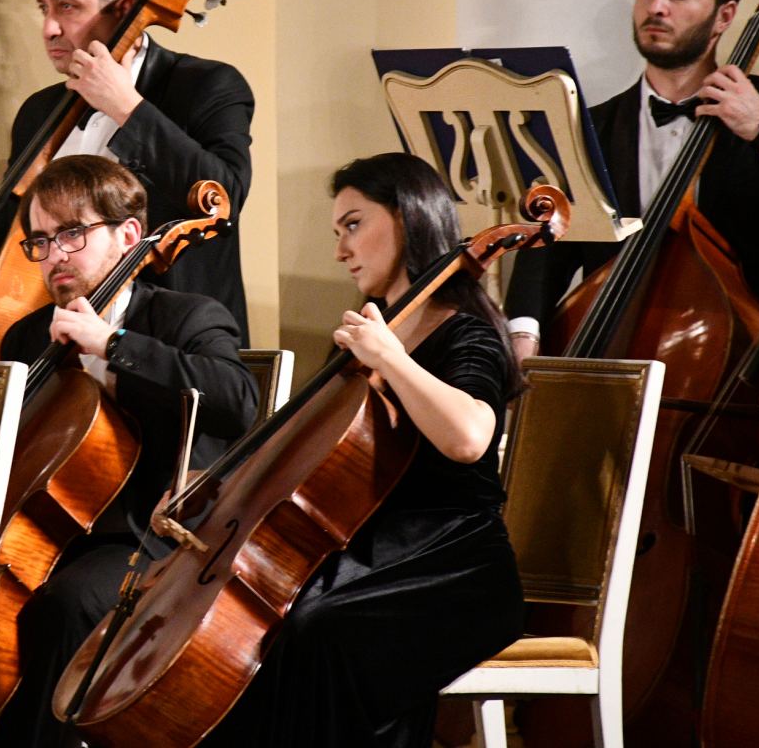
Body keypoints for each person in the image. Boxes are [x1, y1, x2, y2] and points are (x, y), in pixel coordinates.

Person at [202, 153, 525, 747]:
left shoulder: (464, 330)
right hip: (371, 548)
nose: (340, 249)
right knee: (256, 623)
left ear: (406, 218)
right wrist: (208, 496)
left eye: (353, 224)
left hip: (452, 561)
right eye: (336, 232)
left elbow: (469, 438)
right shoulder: (370, 336)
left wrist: (392, 359)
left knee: (318, 625)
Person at [0, 154, 256, 747]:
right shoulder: (28, 336)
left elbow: (239, 400)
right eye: (40, 241)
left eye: (71, 234)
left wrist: (113, 344)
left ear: (129, 235)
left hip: (149, 541)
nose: (54, 255)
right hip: (42, 537)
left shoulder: (185, 316)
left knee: (64, 606)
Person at [506, 0, 759, 359]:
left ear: (724, 16)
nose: (656, 7)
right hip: (613, 348)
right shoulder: (590, 126)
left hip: (749, 356)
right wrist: (522, 338)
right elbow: (546, 252)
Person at [0, 0, 256, 341]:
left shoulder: (206, 86)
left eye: (66, 6)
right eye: (44, 8)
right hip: (57, 340)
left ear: (123, 10)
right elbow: (8, 232)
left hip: (172, 339)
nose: (49, 28)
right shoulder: (39, 111)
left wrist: (128, 107)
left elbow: (225, 198)